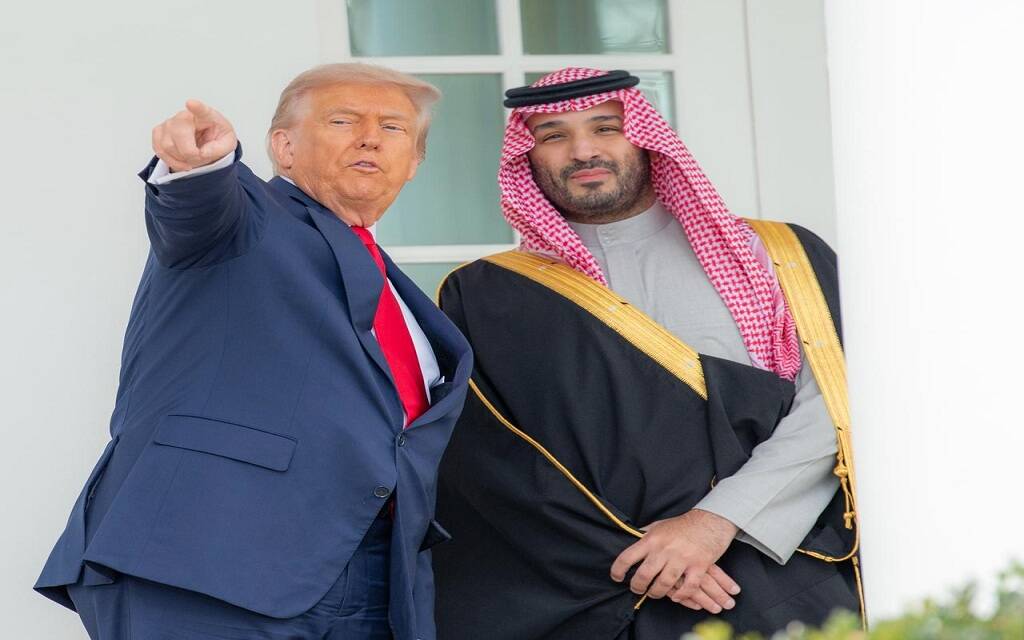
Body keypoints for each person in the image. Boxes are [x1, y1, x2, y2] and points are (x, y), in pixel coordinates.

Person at [34, 63, 472, 640]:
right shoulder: (247, 220)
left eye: (393, 128)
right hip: (213, 560)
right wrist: (200, 167)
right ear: (283, 147)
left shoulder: (396, 291)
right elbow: (197, 209)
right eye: (344, 121)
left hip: (371, 576)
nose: (370, 138)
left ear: (413, 162)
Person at [432, 67, 862, 638]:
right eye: (554, 135)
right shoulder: (486, 293)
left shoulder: (781, 254)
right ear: (526, 156)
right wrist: (648, 559)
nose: (583, 151)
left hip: (776, 568)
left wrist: (714, 523)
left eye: (605, 128)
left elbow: (836, 403)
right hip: (589, 590)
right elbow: (491, 463)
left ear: (645, 136)